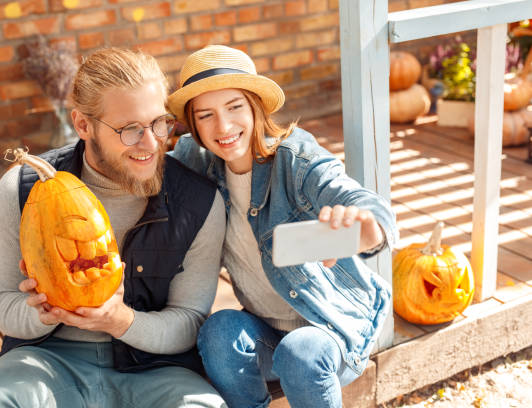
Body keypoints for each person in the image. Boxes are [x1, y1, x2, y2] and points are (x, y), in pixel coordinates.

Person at [0, 47, 227, 408]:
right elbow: (2, 303)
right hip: (47, 359)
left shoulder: (198, 202)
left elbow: (189, 321)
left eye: (159, 123)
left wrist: (121, 321)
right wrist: (43, 312)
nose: (151, 143)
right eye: (130, 129)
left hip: (155, 367)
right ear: (83, 125)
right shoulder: (23, 190)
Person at [167, 44, 399, 408]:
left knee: (301, 352)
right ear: (193, 124)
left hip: (332, 325)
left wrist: (362, 227)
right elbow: (139, 171)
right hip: (267, 330)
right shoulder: (197, 162)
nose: (223, 127)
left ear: (255, 106)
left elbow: (368, 207)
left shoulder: (295, 158)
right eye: (206, 115)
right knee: (217, 332)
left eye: (234, 107)